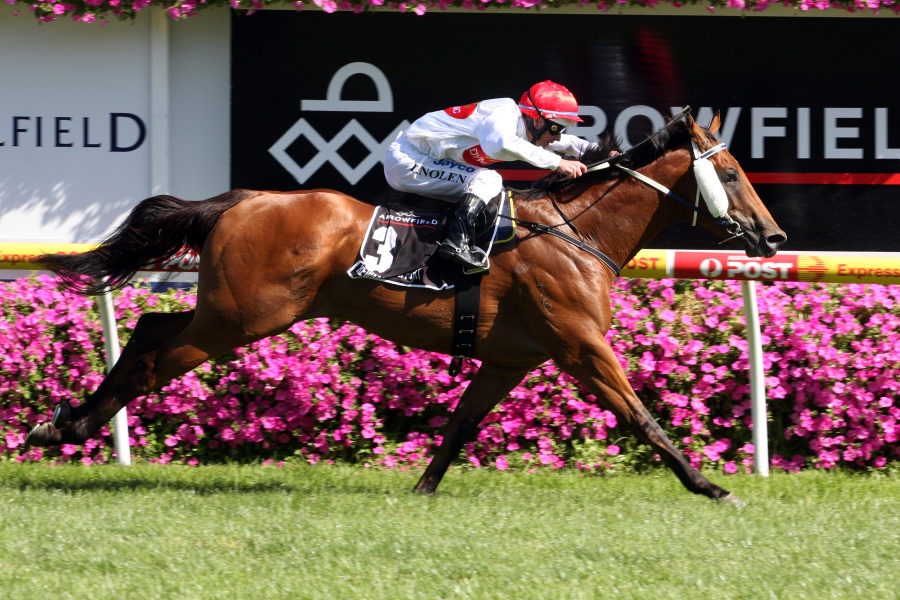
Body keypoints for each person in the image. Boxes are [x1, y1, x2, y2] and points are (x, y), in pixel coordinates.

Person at [383, 80, 593, 271]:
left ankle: (456, 249)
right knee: (488, 180)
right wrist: (558, 163)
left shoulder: (525, 126)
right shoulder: (502, 114)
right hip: (408, 159)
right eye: (557, 128)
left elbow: (570, 144)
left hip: (422, 160)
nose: (557, 137)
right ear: (537, 121)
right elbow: (500, 144)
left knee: (493, 195)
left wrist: (602, 151)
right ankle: (456, 243)